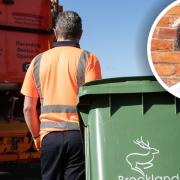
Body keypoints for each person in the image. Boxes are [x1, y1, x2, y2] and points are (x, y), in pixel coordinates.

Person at [21, 11, 102, 180]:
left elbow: (28, 108)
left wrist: (37, 137)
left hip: (49, 138)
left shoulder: (37, 61)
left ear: (56, 32)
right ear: (80, 34)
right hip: (78, 137)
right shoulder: (89, 59)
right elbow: (95, 104)